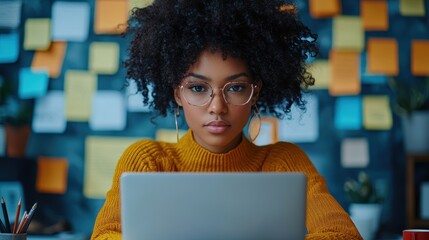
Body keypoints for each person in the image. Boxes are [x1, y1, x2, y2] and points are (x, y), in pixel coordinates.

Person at [91, 0, 362, 239]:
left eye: (235, 87)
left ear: (255, 91)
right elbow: (105, 235)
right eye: (198, 88)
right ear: (177, 93)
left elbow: (343, 236)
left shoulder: (284, 163)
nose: (217, 107)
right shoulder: (148, 162)